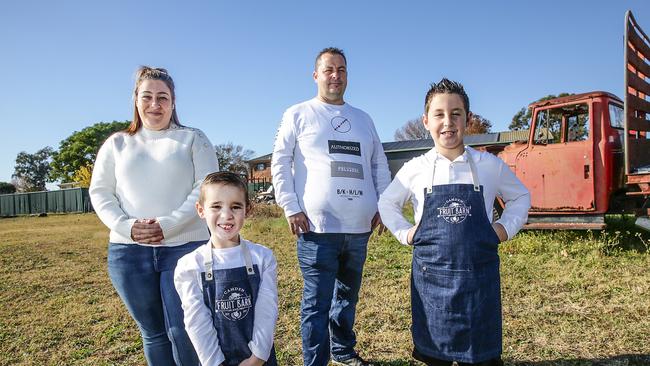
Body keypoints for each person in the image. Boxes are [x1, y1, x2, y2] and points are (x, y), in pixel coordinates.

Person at [378, 78, 531, 366]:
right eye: (439, 114)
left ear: (468, 119)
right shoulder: (415, 169)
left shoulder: (489, 166)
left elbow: (521, 197)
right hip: (431, 280)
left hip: (479, 279)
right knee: (435, 355)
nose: (447, 122)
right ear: (426, 121)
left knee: (482, 357)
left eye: (456, 113)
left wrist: (503, 229)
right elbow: (387, 203)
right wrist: (404, 233)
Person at [89, 66, 218, 365]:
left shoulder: (193, 138)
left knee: (184, 330)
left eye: (163, 97)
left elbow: (206, 188)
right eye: (147, 97)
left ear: (173, 102)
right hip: (128, 252)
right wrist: (127, 227)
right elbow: (101, 191)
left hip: (185, 248)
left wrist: (167, 225)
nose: (155, 104)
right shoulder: (116, 144)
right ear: (136, 100)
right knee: (154, 334)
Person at [271, 47, 391, 366]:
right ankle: (316, 362)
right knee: (317, 302)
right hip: (316, 228)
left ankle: (342, 351)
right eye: (329, 70)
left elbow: (378, 164)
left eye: (341, 70)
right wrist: (289, 206)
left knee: (347, 299)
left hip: (359, 227)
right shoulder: (297, 113)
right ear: (316, 76)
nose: (335, 75)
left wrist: (383, 204)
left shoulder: (363, 119)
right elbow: (280, 162)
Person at [174, 172, 278, 366]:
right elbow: (197, 320)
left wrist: (257, 358)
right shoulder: (189, 266)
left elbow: (267, 311)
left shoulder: (263, 258)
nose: (226, 215)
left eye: (236, 206)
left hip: (260, 359)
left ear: (247, 210)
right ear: (201, 210)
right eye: (216, 206)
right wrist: (214, 362)